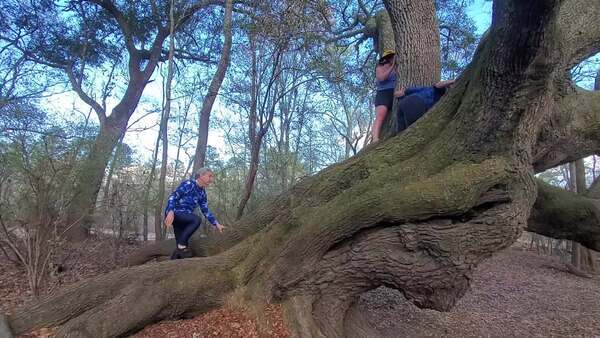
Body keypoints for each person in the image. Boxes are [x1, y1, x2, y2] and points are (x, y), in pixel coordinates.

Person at [164, 167, 225, 259]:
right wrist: (170, 211)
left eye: (212, 177)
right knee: (196, 220)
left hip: (185, 219)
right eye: (210, 176)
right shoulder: (189, 184)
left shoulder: (202, 193)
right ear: (201, 176)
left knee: (182, 252)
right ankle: (181, 245)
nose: (211, 179)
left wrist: (216, 224)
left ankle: (174, 260)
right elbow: (173, 196)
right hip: (175, 214)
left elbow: (205, 210)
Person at [372, 50, 399, 143]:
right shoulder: (380, 67)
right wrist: (391, 67)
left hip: (394, 93)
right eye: (391, 57)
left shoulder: (398, 67)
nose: (392, 58)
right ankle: (375, 139)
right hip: (383, 93)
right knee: (380, 116)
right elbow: (381, 78)